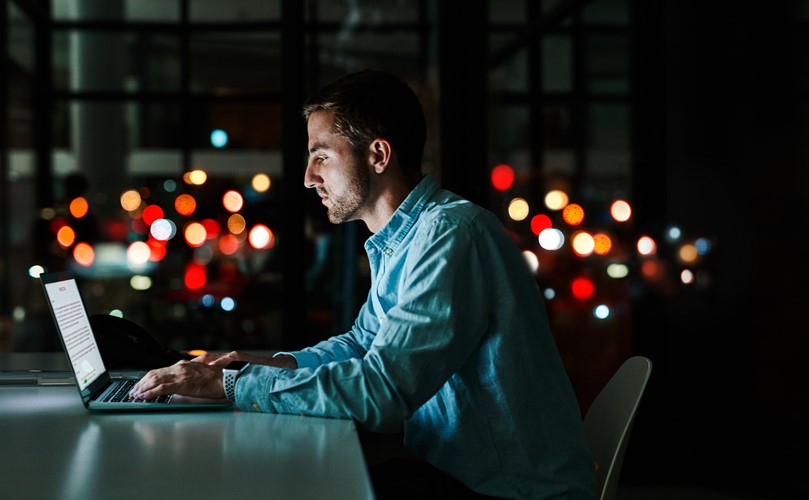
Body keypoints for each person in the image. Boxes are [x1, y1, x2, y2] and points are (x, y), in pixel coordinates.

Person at [131, 70, 595, 499]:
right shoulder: (404, 240)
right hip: (455, 476)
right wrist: (247, 365)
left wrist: (235, 387)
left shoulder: (452, 235)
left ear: (377, 155)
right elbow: (362, 346)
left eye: (321, 157)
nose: (310, 178)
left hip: (507, 493)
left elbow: (381, 392)